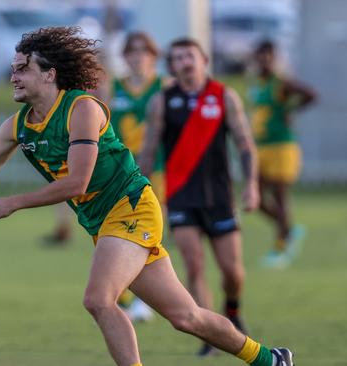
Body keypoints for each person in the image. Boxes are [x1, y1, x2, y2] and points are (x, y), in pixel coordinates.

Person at [0, 27, 294, 366]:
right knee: (187, 317)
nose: (13, 76)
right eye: (13, 69)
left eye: (22, 69)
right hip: (104, 223)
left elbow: (78, 183)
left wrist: (14, 202)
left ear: (49, 73)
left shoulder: (81, 109)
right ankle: (270, 359)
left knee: (97, 299)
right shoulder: (17, 125)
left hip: (132, 208)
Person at [140, 37, 259, 357]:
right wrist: (139, 190)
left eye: (190, 55)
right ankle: (211, 335)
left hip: (220, 197)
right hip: (180, 197)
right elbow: (148, 152)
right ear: (172, 66)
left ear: (204, 60)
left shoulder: (224, 96)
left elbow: (245, 143)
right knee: (193, 267)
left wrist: (251, 184)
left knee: (232, 272)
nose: (185, 61)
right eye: (178, 58)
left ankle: (232, 312)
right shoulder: (162, 101)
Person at [101, 31, 170, 322]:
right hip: (120, 172)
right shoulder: (113, 88)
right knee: (115, 231)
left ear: (154, 56)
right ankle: (129, 297)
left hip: (155, 169)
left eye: (144, 51)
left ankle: (141, 297)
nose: (137, 56)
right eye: (132, 51)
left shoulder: (164, 86)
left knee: (147, 234)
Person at [249, 39, 316, 268]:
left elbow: (311, 94)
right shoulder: (258, 83)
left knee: (279, 195)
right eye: (260, 54)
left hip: (281, 146)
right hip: (262, 146)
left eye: (268, 55)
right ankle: (288, 228)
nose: (264, 59)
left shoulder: (282, 82)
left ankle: (282, 246)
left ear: (274, 57)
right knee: (255, 197)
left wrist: (291, 109)